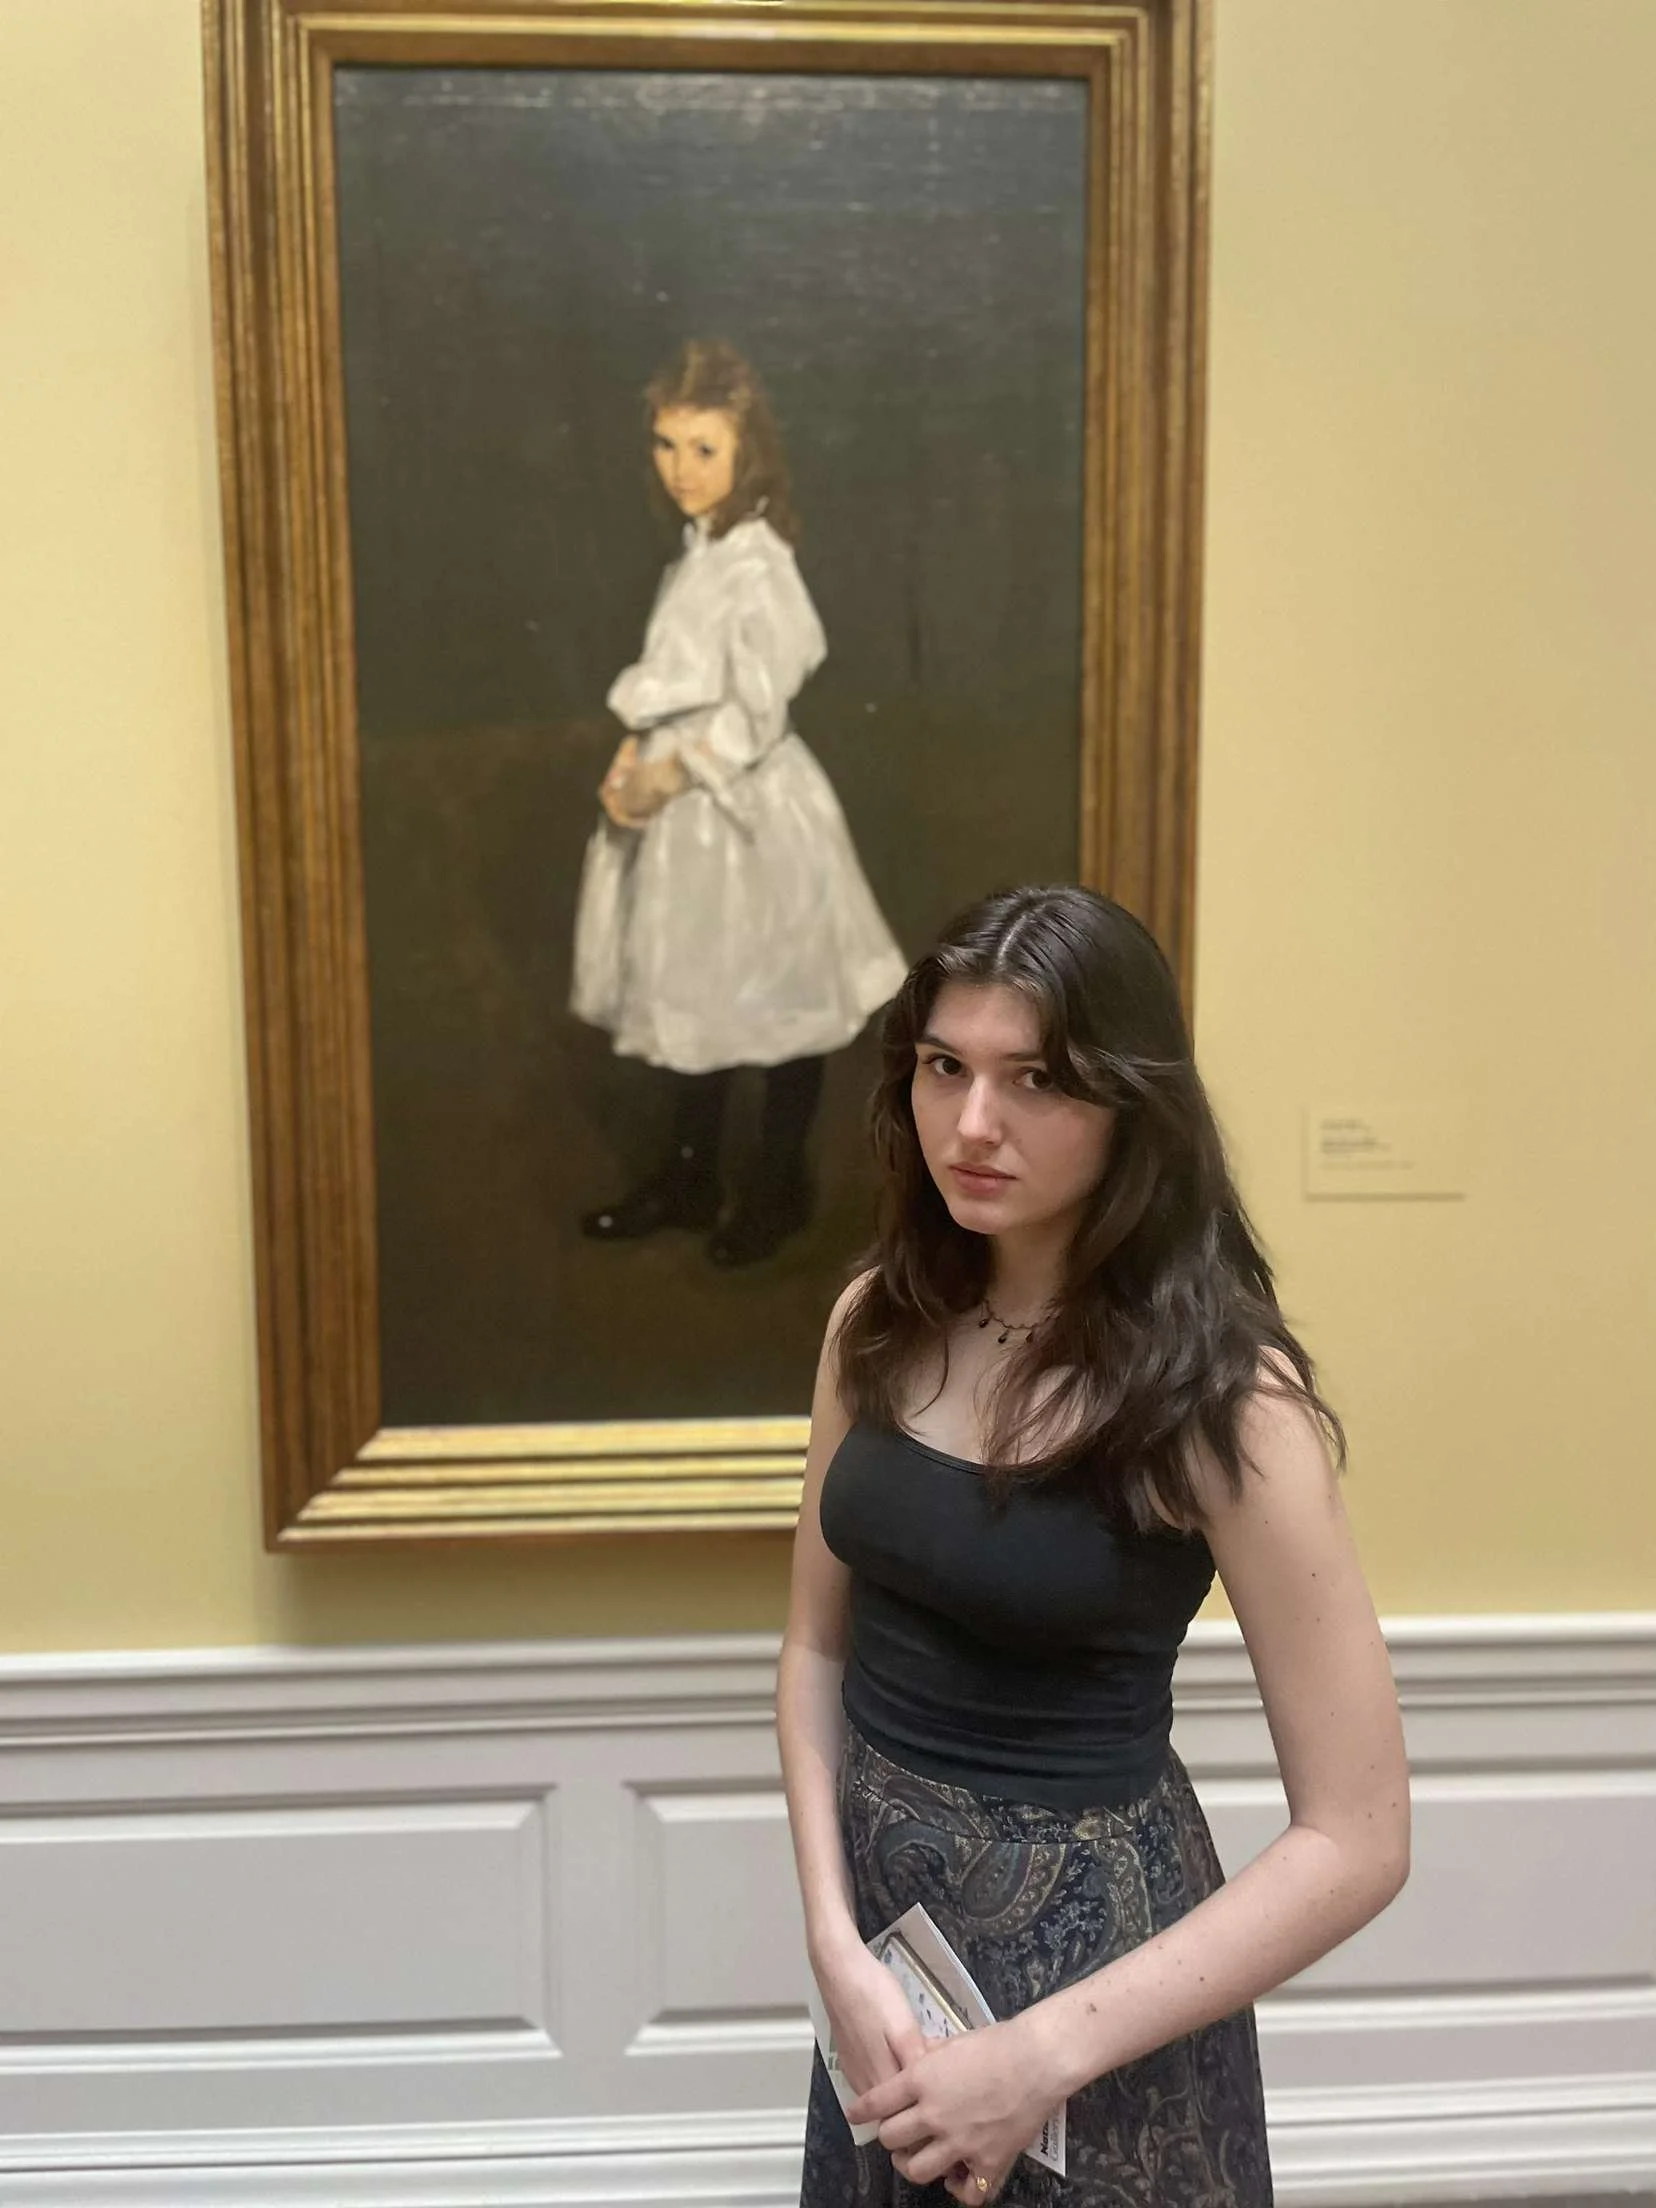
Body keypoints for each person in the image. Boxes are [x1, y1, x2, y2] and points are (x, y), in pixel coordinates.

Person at [778, 885, 1410, 2205]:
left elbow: (1359, 1836)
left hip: (1102, 1996)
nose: (972, 1124)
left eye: (1035, 1081)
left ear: (1135, 1106)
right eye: (944, 1068)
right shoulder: (874, 1326)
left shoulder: (1225, 1395)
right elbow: (812, 1652)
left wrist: (1039, 2056)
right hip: (889, 1975)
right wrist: (833, 1942)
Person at [570, 339, 906, 1266]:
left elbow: (757, 711)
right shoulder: (699, 553)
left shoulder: (758, 564)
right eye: (667, 446)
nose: (682, 470)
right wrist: (629, 762)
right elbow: (676, 685)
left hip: (746, 813)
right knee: (694, 993)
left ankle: (776, 1184)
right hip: (682, 815)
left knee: (777, 999)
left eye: (704, 449)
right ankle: (689, 1175)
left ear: (746, 452)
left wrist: (670, 774)